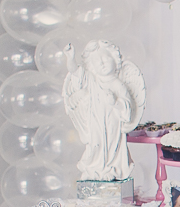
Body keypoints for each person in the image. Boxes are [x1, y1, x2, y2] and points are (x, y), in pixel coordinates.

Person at [62, 40, 146, 181]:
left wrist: (115, 102)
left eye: (105, 58)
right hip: (95, 123)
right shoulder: (91, 80)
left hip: (113, 125)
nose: (102, 63)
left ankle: (111, 169)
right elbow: (75, 72)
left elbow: (127, 109)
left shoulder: (118, 85)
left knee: (112, 148)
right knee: (96, 146)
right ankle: (95, 170)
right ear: (92, 66)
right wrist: (70, 58)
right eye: (97, 61)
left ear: (114, 59)